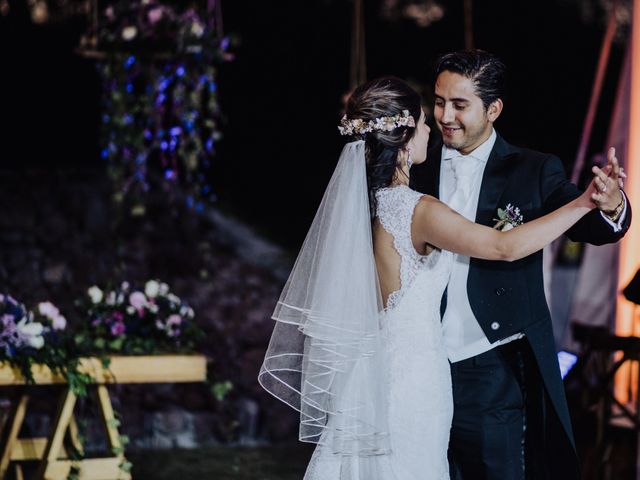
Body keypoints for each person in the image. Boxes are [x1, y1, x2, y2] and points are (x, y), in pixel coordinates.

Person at [258, 76, 605, 480]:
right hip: (414, 378)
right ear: (404, 137)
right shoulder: (416, 210)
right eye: (423, 121)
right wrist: (583, 203)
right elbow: (502, 247)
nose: (430, 129)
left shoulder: (362, 209)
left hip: (369, 374)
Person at [409, 50, 631, 480]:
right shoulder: (417, 165)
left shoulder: (533, 169)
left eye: (459, 105)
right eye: (439, 102)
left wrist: (611, 204)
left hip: (491, 364)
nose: (445, 116)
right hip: (419, 358)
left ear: (493, 109)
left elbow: (588, 225)